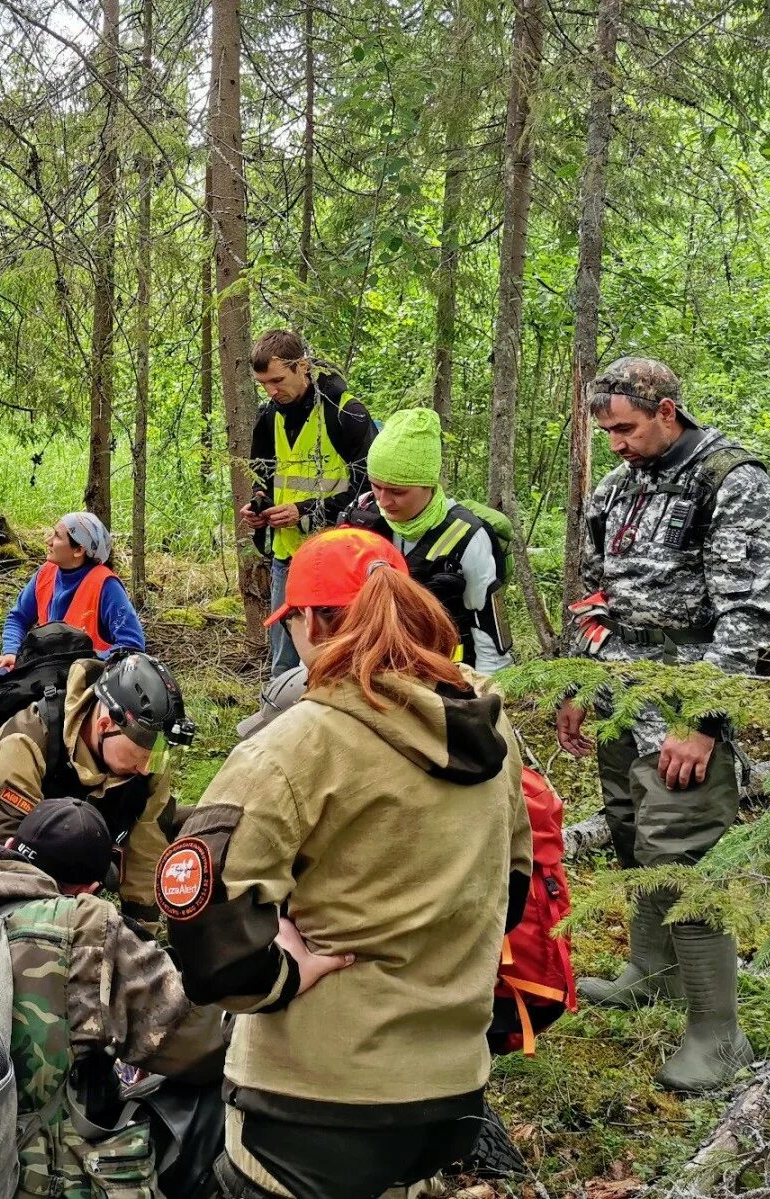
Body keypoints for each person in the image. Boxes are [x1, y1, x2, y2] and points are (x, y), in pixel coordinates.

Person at [161, 528, 531, 1199]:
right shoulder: (487, 725)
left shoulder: (300, 742)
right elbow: (512, 886)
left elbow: (201, 909)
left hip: (312, 1101)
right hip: (450, 1091)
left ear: (307, 621)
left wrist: (279, 976)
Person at [557, 356, 770, 1093]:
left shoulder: (732, 481)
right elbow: (595, 592)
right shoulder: (618, 490)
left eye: (625, 428)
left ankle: (719, 1035)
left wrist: (706, 722)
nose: (615, 443)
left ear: (667, 410)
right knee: (632, 834)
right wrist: (576, 682)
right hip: (619, 697)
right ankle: (649, 969)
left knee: (683, 856)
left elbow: (750, 614)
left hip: (686, 710)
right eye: (606, 431)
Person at [0, 799, 227, 1194]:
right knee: (217, 1098)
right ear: (90, 890)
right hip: (11, 1176)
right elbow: (202, 1046)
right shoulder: (82, 929)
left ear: (10, 845)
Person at [0, 651, 195, 922]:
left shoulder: (148, 759)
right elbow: (2, 850)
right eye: (141, 755)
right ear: (105, 725)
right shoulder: (25, 742)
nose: (147, 768)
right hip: (7, 861)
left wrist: (141, 936)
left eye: (157, 756)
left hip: (82, 856)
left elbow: (147, 854)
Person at [237, 329, 374, 677]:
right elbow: (263, 480)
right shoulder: (269, 418)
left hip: (339, 560)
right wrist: (257, 509)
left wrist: (305, 511)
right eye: (263, 383)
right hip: (288, 557)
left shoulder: (346, 413)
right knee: (283, 662)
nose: (271, 390)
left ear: (303, 367)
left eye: (278, 380)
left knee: (338, 657)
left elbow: (369, 491)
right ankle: (277, 721)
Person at [343, 407, 513, 672]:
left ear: (429, 485)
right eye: (376, 486)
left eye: (398, 491)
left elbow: (489, 640)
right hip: (373, 675)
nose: (384, 501)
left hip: (443, 677)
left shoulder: (469, 538)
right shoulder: (363, 520)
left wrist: (484, 702)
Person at [0, 511, 145, 675]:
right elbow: (18, 618)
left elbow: (132, 644)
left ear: (79, 550)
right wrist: (11, 652)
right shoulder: (46, 573)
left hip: (87, 681)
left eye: (57, 537)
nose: (48, 541)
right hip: (45, 671)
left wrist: (85, 666)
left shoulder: (106, 585)